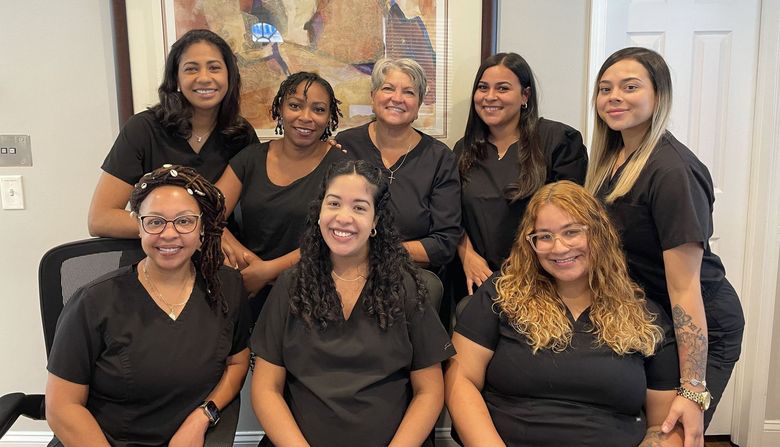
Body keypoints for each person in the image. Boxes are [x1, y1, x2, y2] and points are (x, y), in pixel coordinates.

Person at [585, 47, 745, 445]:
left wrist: (693, 388)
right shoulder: (613, 158)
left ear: (659, 96)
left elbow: (685, 287)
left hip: (697, 321)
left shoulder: (673, 170)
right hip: (647, 319)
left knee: (672, 436)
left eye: (630, 86)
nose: (614, 96)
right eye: (605, 89)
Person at [445, 180, 683, 447]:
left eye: (571, 232)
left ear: (599, 233)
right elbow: (460, 379)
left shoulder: (645, 316)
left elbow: (664, 426)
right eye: (544, 236)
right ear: (530, 244)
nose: (558, 248)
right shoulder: (501, 294)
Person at [251, 160, 455, 447]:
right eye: (333, 204)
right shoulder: (290, 285)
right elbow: (265, 388)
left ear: (375, 221)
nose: (343, 218)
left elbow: (429, 391)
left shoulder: (406, 286)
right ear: (319, 212)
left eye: (359, 207)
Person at [46, 165, 251, 446]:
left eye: (184, 221)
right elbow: (61, 407)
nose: (169, 234)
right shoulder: (94, 301)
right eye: (155, 221)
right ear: (139, 226)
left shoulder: (227, 287)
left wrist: (203, 416)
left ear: (202, 226)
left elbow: (237, 362)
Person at [88, 29, 259, 238]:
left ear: (229, 76)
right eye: (191, 69)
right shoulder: (142, 129)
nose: (204, 78)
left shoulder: (241, 135)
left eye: (214, 68)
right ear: (176, 78)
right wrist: (182, 228)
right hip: (152, 258)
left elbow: (258, 212)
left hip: (216, 260)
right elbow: (100, 219)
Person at [215, 71, 347, 319]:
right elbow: (207, 214)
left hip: (313, 293)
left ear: (330, 117)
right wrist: (249, 263)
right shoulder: (250, 158)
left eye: (318, 110)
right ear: (279, 109)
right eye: (295, 106)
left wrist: (269, 271)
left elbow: (337, 238)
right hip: (248, 286)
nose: (305, 117)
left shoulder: (341, 167)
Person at [454, 52, 588, 296]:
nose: (490, 97)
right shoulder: (463, 150)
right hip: (477, 281)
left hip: (542, 281)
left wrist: (522, 266)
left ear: (525, 95)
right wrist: (467, 255)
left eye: (503, 88)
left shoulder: (559, 141)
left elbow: (570, 221)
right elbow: (452, 215)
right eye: (483, 88)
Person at [335, 58, 461, 273]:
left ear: (419, 103)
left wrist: (376, 252)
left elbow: (444, 243)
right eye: (388, 88)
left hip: (413, 278)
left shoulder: (440, 158)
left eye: (409, 92)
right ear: (373, 96)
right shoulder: (345, 146)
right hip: (347, 270)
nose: (397, 98)